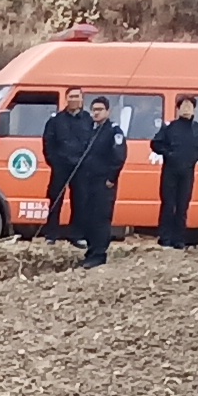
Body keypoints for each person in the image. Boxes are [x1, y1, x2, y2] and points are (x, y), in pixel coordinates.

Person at [69, 94, 128, 267]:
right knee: (89, 217)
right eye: (93, 110)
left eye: (99, 110)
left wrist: (111, 178)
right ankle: (91, 251)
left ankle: (99, 254)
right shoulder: (92, 130)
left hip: (104, 182)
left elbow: (119, 156)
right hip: (89, 182)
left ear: (108, 111)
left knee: (101, 218)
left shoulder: (113, 131)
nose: (96, 113)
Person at [149, 95, 198, 249]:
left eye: (190, 106)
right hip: (170, 171)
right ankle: (165, 237)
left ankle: (179, 239)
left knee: (183, 205)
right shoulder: (170, 127)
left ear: (194, 110)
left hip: (188, 172)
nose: (186, 109)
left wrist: (194, 157)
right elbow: (155, 144)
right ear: (177, 109)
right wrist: (169, 154)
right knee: (168, 204)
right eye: (184, 106)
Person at [35, 94, 90, 244]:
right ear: (67, 99)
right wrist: (54, 161)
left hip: (80, 167)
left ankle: (76, 235)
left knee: (80, 200)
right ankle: (51, 235)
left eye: (77, 96)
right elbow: (48, 142)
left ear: (82, 100)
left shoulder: (88, 120)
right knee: (55, 199)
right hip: (60, 166)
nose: (74, 99)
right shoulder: (56, 120)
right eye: (71, 96)